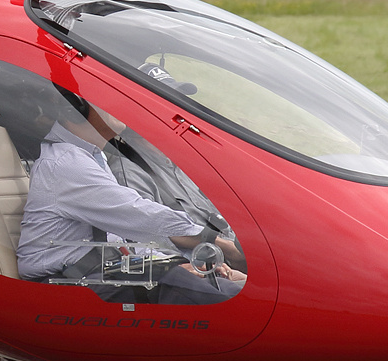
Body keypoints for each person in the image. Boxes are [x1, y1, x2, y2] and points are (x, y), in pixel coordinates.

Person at [16, 91, 245, 305]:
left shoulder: (91, 156)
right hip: (61, 285)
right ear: (73, 111)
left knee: (212, 283)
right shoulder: (66, 164)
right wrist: (216, 243)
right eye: (106, 99)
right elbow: (140, 216)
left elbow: (122, 238)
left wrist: (183, 260)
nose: (119, 106)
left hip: (96, 271)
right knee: (234, 301)